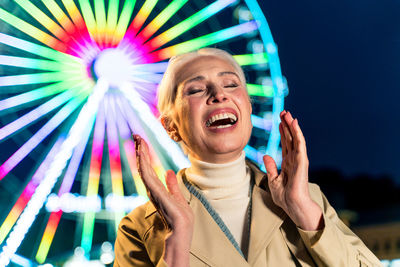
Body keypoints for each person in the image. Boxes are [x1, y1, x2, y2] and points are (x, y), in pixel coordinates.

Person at [114, 48, 381, 267]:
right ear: (170, 126)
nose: (219, 95)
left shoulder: (307, 200)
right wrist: (177, 248)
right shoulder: (139, 229)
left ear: (249, 107)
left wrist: (303, 210)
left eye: (231, 84)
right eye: (195, 90)